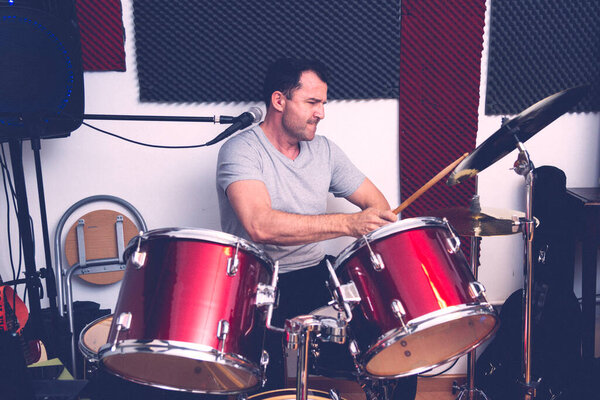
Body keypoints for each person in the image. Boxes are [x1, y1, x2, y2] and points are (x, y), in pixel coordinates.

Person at [216, 58, 417, 400]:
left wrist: (369, 221)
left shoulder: (324, 150)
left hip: (314, 275)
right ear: (279, 101)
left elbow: (379, 206)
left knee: (397, 348)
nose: (321, 113)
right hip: (258, 285)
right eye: (312, 102)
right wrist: (345, 223)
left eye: (323, 103)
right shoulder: (241, 150)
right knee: (270, 383)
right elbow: (259, 225)